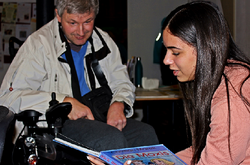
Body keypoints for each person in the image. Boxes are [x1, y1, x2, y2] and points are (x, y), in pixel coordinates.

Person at [89, 1, 250, 165]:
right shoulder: (227, 78)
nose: (166, 60)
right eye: (166, 50)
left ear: (205, 48)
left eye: (176, 52)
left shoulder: (232, 95)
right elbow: (200, 151)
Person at [0, 0, 159, 161]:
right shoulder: (38, 44)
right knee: (109, 139)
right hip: (56, 124)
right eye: (73, 22)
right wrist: (63, 102)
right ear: (58, 15)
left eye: (88, 21)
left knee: (144, 134)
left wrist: (119, 103)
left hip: (98, 113)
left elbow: (122, 83)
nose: (81, 31)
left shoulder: (102, 40)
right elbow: (8, 98)